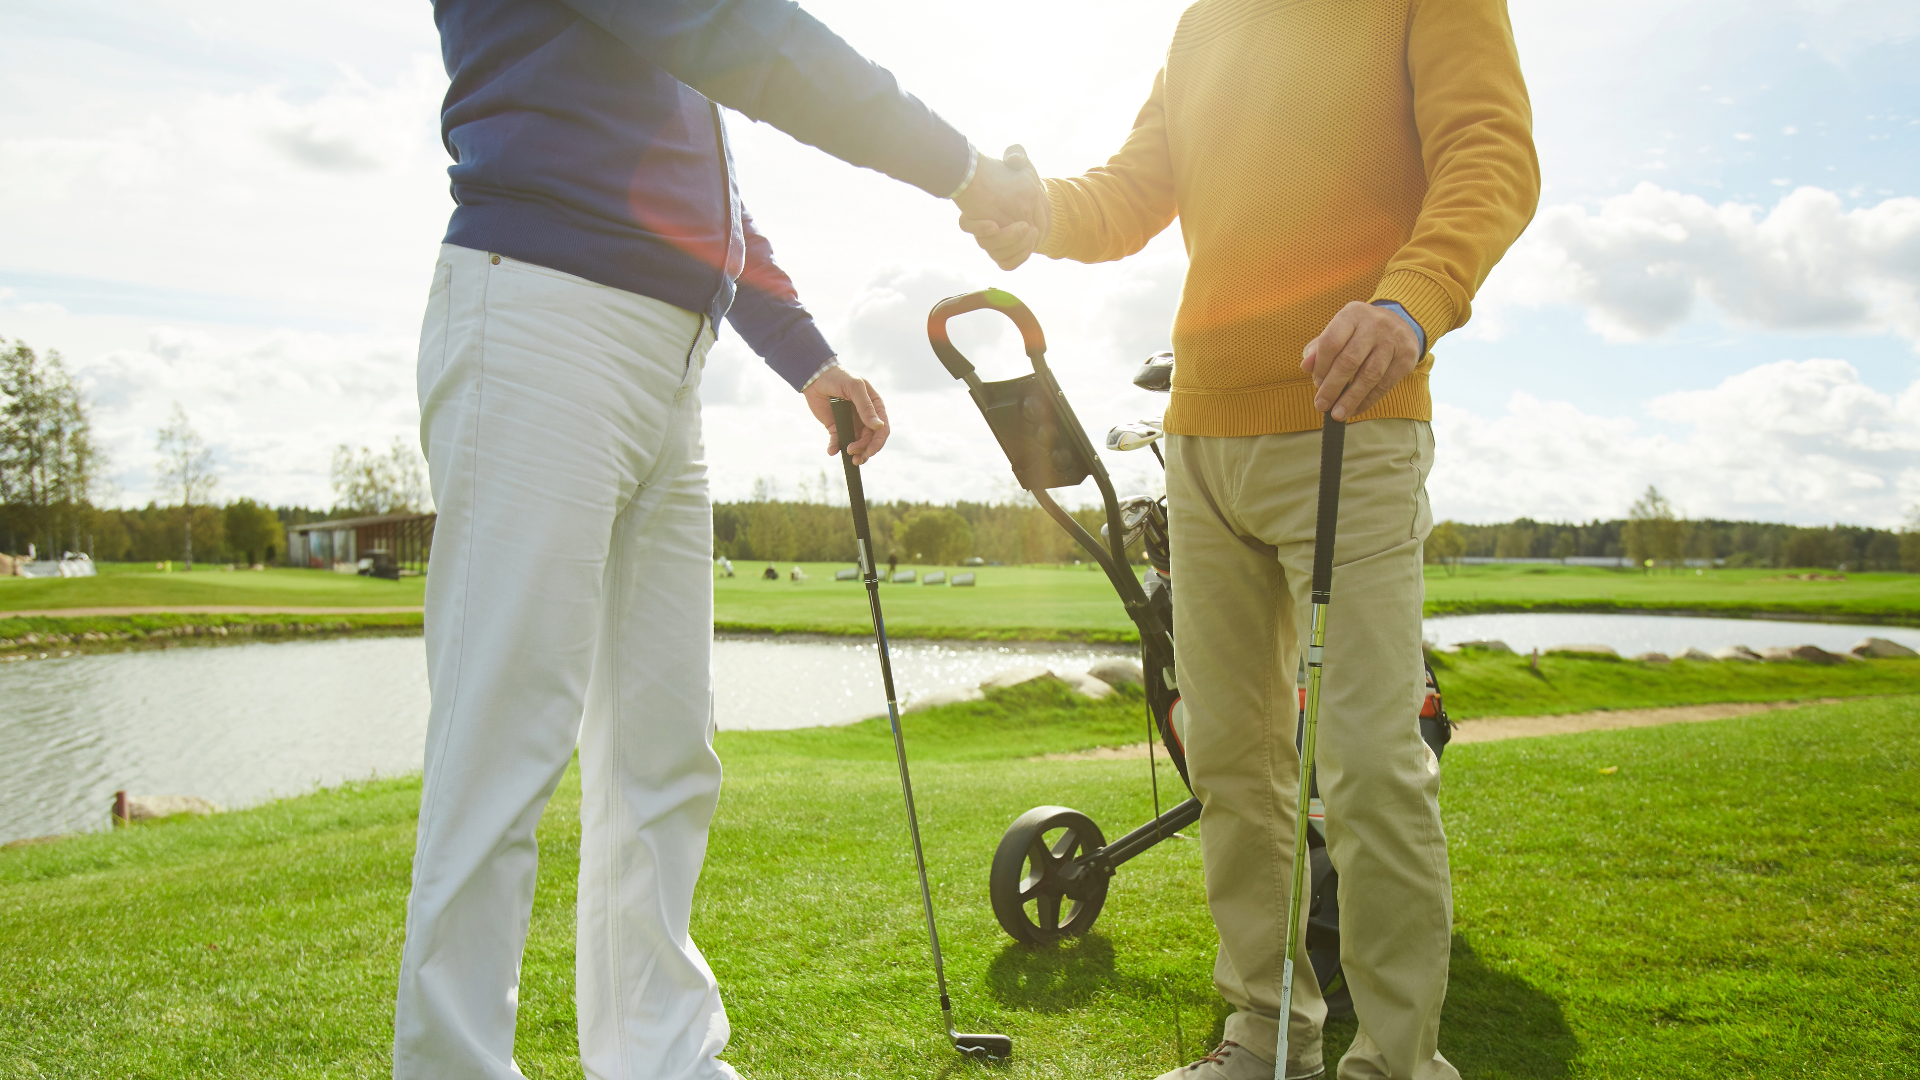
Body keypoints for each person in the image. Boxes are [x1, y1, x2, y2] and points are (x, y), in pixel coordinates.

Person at [397, 4, 1039, 1079]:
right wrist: (966, 170)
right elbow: (744, 34)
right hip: (540, 311)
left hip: (671, 354)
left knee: (664, 753)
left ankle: (662, 1061)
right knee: (500, 750)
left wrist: (807, 357)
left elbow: (704, 202)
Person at [962, 3, 1539, 1078]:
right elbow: (1133, 191)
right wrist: (1039, 211)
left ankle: (1402, 1062)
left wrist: (1410, 305)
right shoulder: (1203, 23)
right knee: (1232, 760)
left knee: (1369, 765)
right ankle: (1266, 1035)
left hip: (1355, 420)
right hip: (1203, 438)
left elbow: (1492, 156)